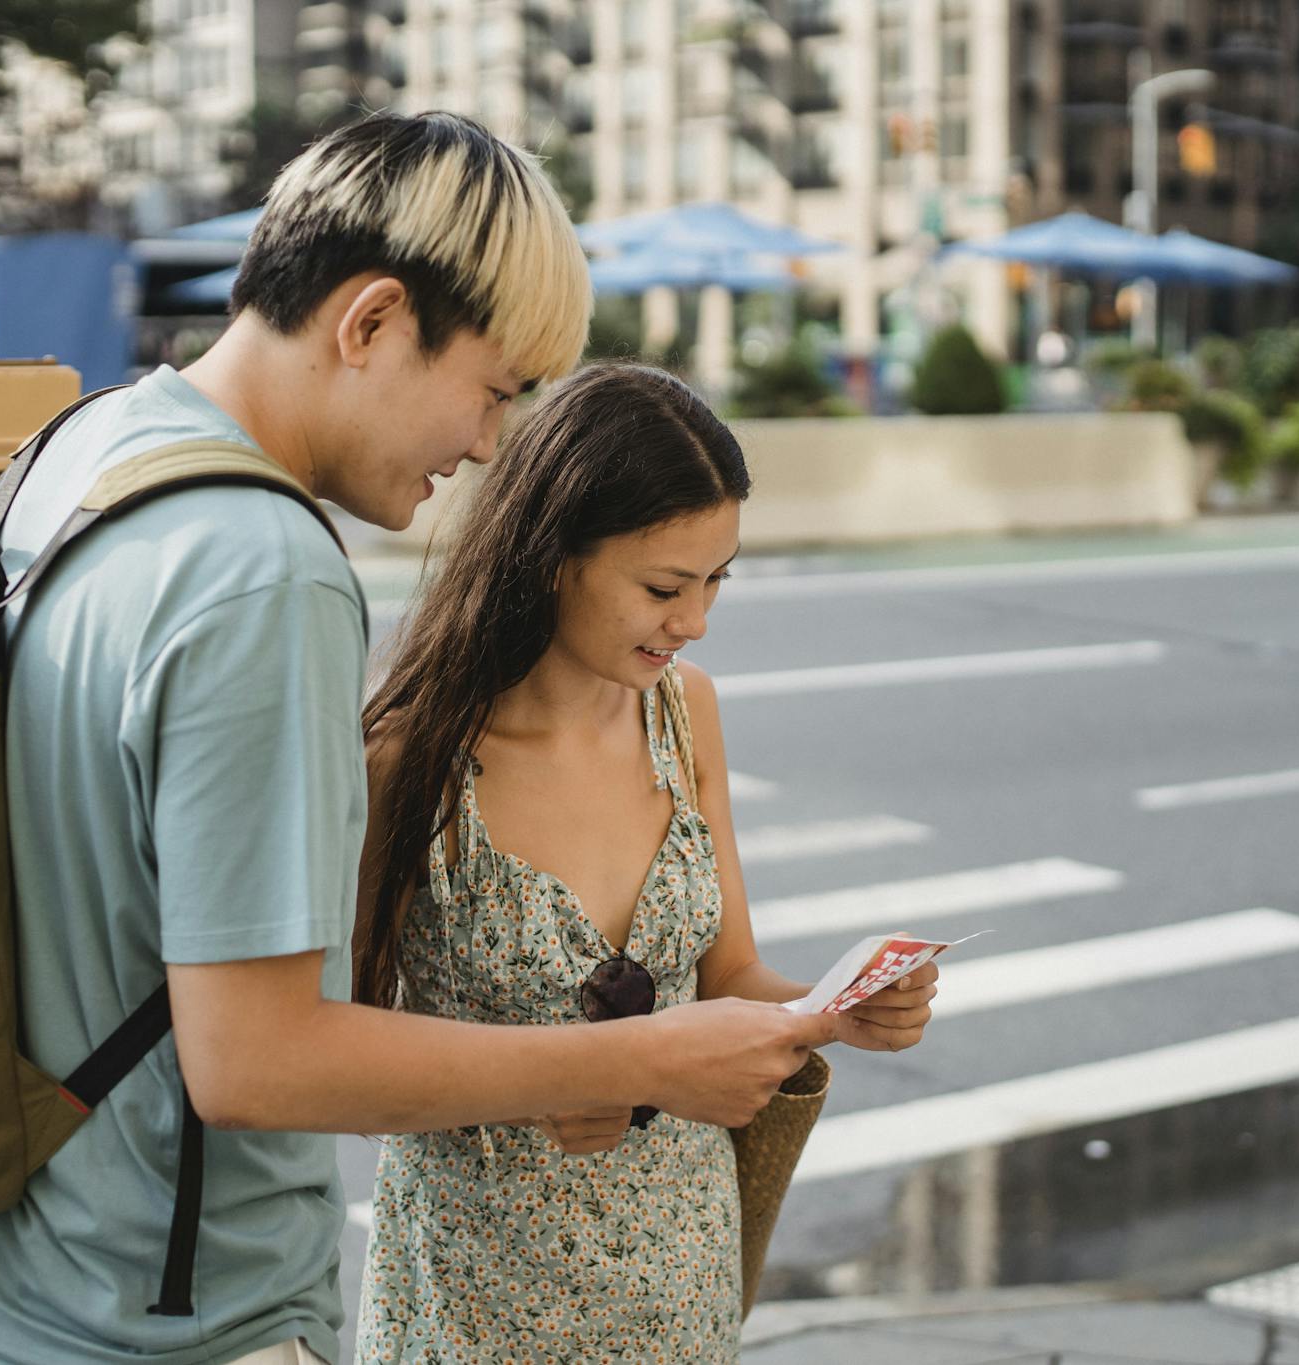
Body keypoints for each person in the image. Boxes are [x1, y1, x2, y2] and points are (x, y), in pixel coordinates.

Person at [0, 112, 836, 1365]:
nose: (491, 444)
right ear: (373, 322)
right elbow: (256, 1059)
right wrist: (637, 1056)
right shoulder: (261, 570)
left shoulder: (84, 452)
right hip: (167, 1316)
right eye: (492, 388)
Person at [352, 363, 941, 1362]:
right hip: (478, 1298)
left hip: (684, 1275)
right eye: (663, 587)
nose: (695, 620)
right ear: (550, 557)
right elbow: (337, 1055)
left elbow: (725, 977)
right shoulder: (408, 763)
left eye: (716, 582)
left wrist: (835, 1010)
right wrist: (540, 1085)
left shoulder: (686, 714)